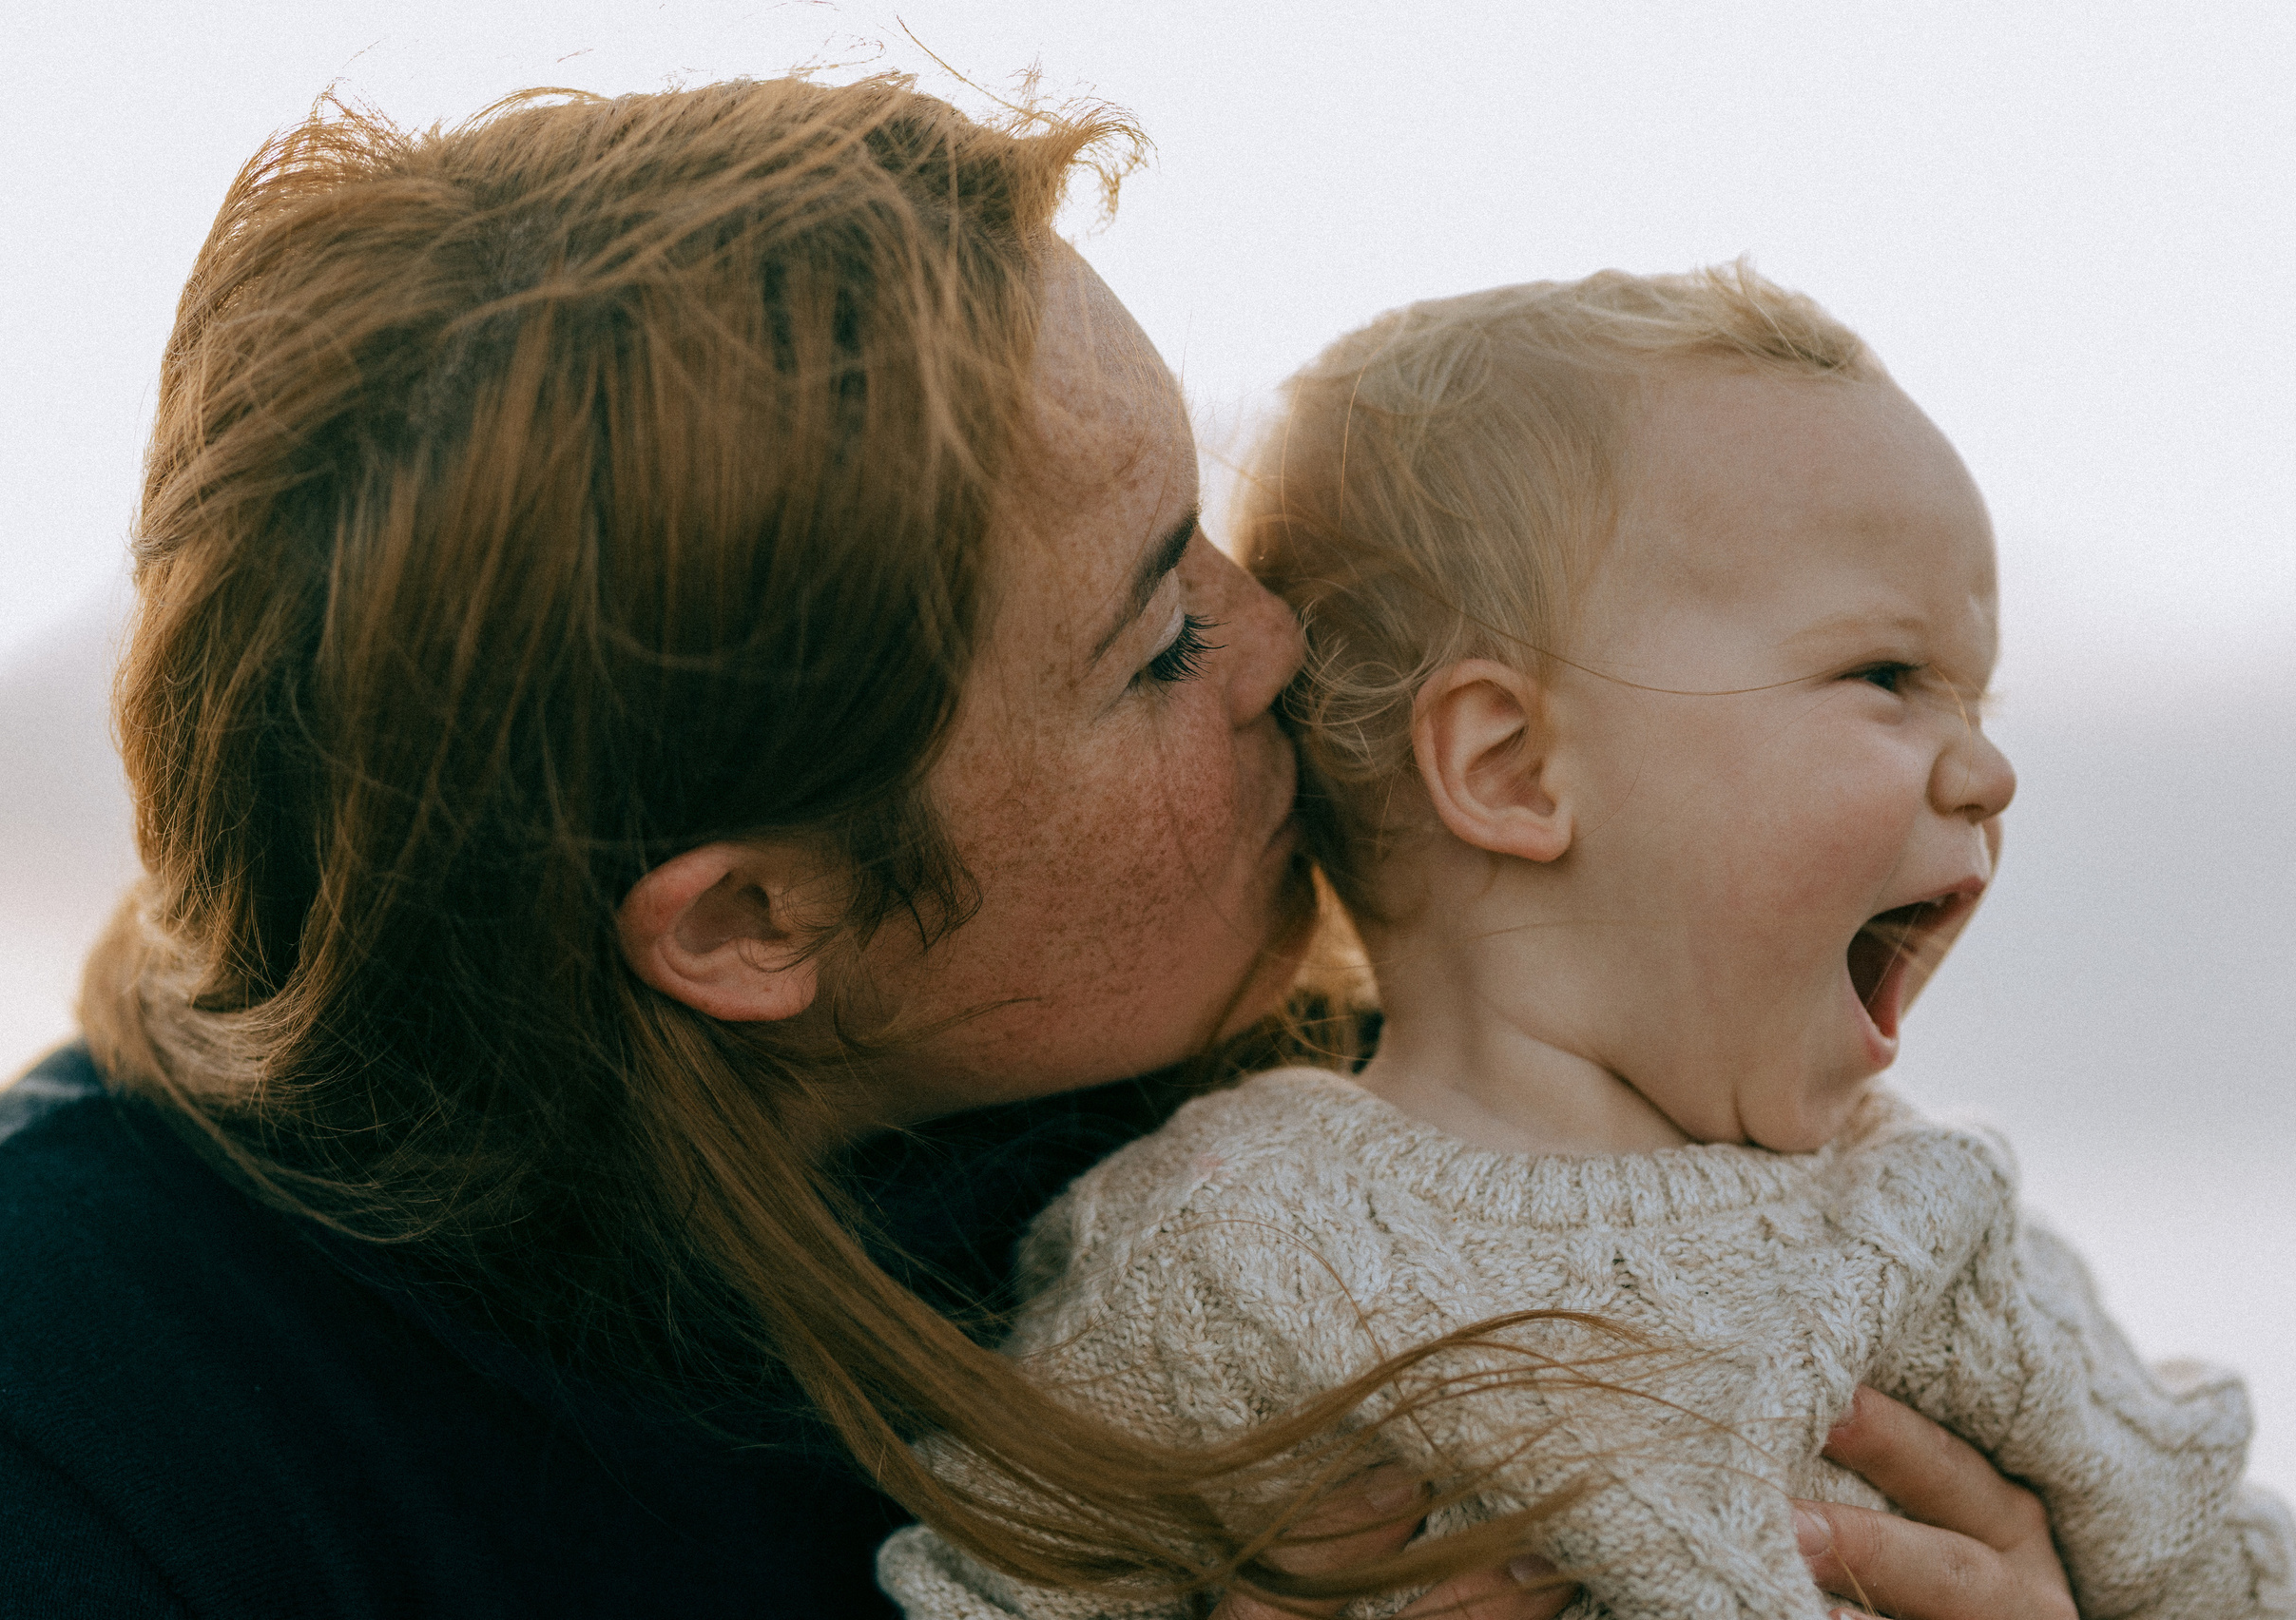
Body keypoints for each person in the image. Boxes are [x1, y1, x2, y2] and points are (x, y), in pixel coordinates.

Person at [0, 81, 2078, 1618]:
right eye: (1149, 637)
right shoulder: (24, 1452)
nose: (1281, 635)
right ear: (751, 921)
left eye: (1205, 514)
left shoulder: (1367, 1100)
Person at [878, 270, 2296, 1618]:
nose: (1985, 771)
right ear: (1509, 767)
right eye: (1888, 677)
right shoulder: (1220, 1255)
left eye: (1976, 700)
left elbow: (2207, 1557)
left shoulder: (1930, 1216)